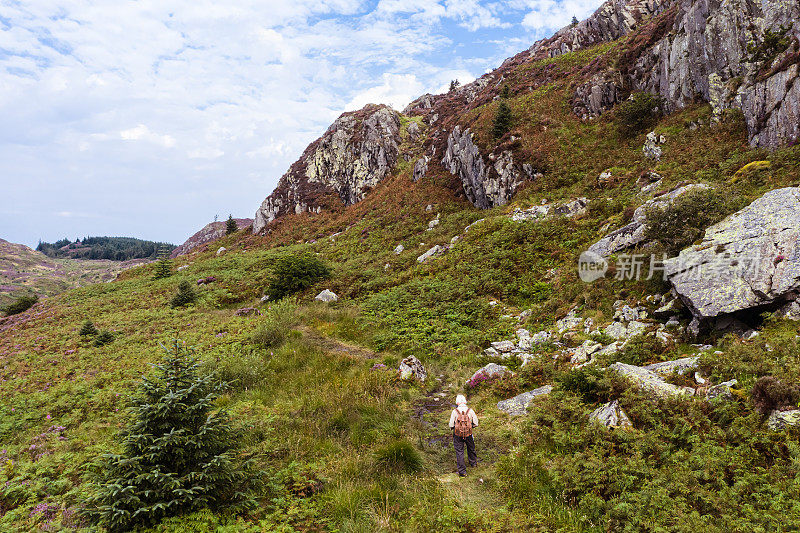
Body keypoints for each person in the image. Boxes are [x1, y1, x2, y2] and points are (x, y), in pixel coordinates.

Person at [449, 394, 478, 477]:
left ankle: (462, 472)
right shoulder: (470, 410)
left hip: (458, 434)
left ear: (457, 402)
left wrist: (455, 428)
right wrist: (470, 427)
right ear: (465, 402)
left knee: (459, 451)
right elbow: (476, 423)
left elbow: (451, 425)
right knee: (471, 448)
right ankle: (473, 463)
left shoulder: (455, 411)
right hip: (469, 433)